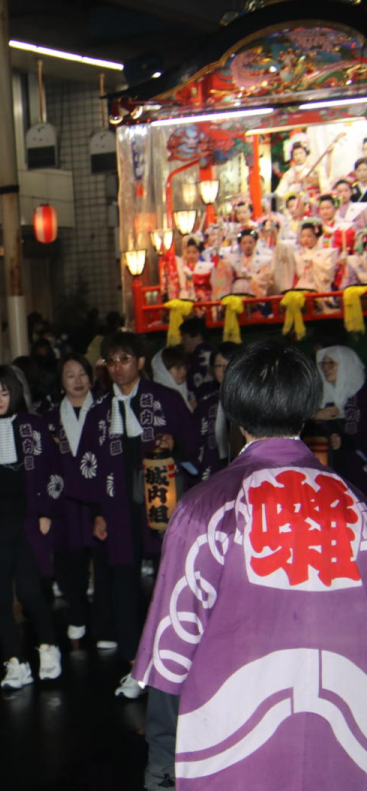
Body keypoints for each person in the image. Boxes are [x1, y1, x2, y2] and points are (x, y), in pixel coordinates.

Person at [133, 339, 367, 790]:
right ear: (307, 405)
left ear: (234, 412)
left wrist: (160, 758)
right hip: (345, 729)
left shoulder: (208, 506)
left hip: (234, 734)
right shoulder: (354, 505)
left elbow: (173, 642)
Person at [78, 332, 199, 697]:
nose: (117, 368)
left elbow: (195, 443)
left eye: (124, 359)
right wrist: (98, 512)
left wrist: (174, 445)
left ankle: (177, 661)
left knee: (169, 583)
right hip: (118, 507)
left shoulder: (165, 400)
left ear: (141, 362)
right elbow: (90, 465)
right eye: (111, 361)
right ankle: (135, 667)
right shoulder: (100, 412)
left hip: (161, 503)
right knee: (123, 584)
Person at [0, 366, 61, 687]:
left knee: (31, 591)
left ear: (15, 394)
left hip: (27, 520)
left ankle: (48, 648)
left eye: (4, 393)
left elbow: (53, 471)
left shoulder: (34, 426)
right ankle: (14, 661)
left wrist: (46, 510)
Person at [47, 354, 97, 645]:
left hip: (98, 496)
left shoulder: (105, 411)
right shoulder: (50, 419)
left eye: (82, 374)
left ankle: (105, 623)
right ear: (61, 381)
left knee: (102, 561)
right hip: (64, 500)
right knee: (68, 561)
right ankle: (77, 614)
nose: (77, 381)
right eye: (70, 375)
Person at [312, 345, 367, 480]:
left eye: (331, 363)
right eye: (323, 363)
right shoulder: (328, 400)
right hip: (346, 469)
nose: (325, 368)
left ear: (347, 365)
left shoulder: (362, 395)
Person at [195, 342, 243, 478]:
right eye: (219, 366)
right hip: (216, 468)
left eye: (229, 365)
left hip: (247, 466)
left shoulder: (253, 400)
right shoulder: (206, 403)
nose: (224, 370)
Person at [178, 317, 213, 395]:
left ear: (198, 336)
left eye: (184, 337)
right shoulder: (213, 352)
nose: (182, 341)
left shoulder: (197, 357)